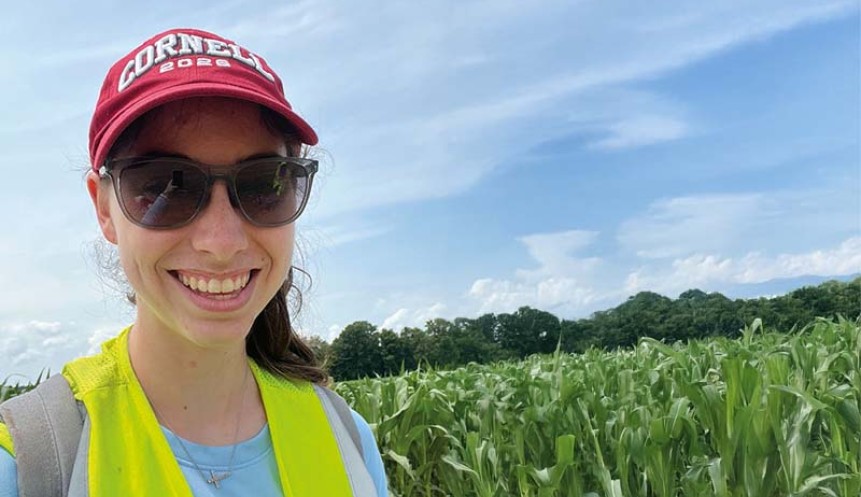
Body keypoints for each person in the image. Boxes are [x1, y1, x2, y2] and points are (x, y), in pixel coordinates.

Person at [0, 28, 388, 497]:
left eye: (266, 183)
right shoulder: (28, 462)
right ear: (104, 209)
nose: (221, 242)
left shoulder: (349, 441)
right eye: (165, 185)